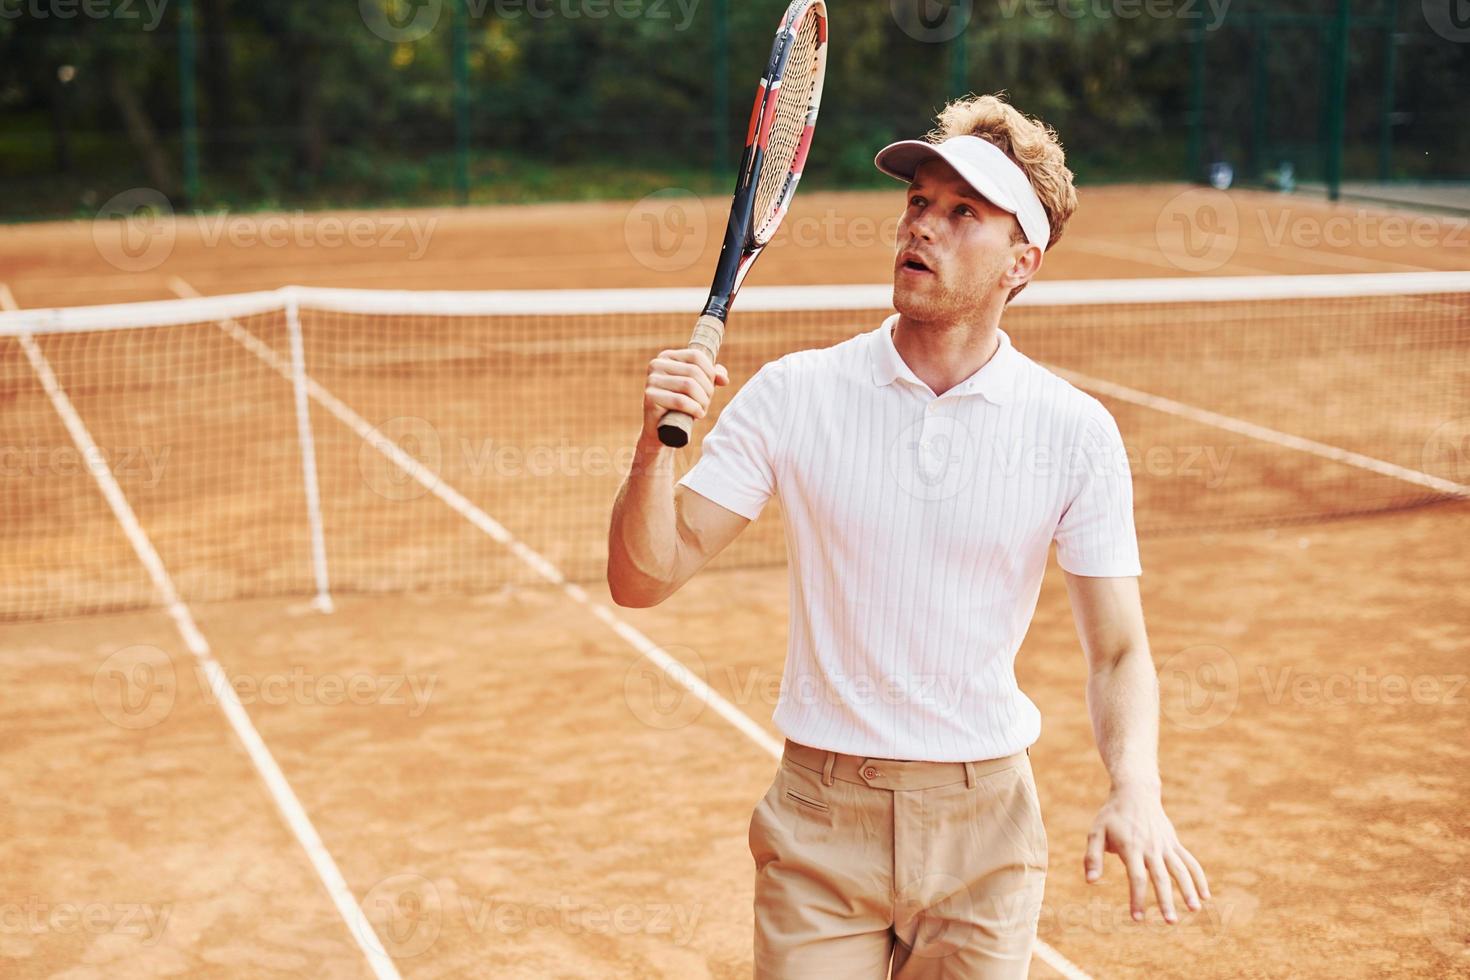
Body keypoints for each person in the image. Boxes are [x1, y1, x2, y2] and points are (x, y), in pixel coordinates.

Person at [607, 92, 1210, 979]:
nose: (923, 226)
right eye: (919, 203)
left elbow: (1118, 652)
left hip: (987, 831)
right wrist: (650, 451)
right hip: (820, 821)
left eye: (964, 212)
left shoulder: (1074, 431)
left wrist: (1137, 788)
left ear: (1022, 260)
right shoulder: (795, 394)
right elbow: (644, 578)